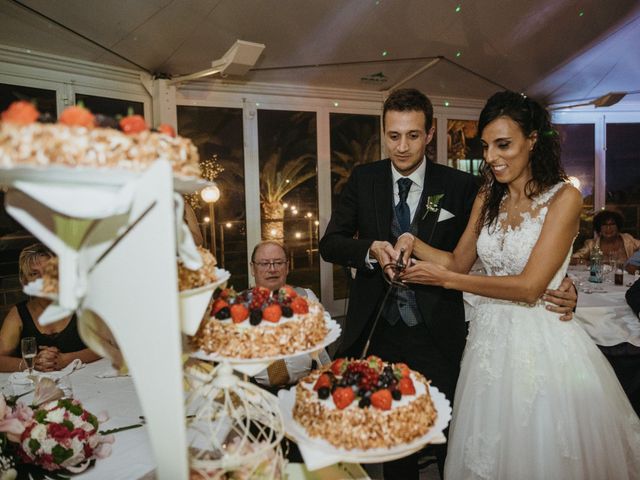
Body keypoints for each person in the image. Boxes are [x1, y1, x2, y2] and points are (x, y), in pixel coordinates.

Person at [319, 88, 577, 479]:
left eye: (413, 135)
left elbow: (499, 252)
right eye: (393, 136)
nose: (402, 146)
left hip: (441, 332)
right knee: (395, 442)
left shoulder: (462, 184)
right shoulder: (365, 179)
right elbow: (331, 243)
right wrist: (376, 249)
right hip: (382, 330)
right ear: (383, 133)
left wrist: (560, 277)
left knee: (458, 438)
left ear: (430, 133)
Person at [396, 91, 640, 479]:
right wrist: (412, 242)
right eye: (487, 146)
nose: (492, 156)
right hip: (487, 344)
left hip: (541, 343)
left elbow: (529, 287)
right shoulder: (486, 197)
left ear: (532, 140)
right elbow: (458, 260)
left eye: (503, 144)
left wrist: (449, 281)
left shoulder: (565, 198)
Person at [0, 243, 100, 372]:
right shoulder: (19, 313)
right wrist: (32, 363)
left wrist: (66, 360)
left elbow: (108, 346)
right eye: (34, 274)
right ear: (25, 281)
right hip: (40, 389)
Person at [250, 240, 330, 389]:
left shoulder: (306, 297)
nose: (272, 269)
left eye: (278, 262)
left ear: (287, 267)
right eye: (264, 263)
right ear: (252, 269)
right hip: (256, 394)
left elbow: (321, 349)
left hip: (304, 388)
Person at [571, 209, 640, 264]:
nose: (608, 228)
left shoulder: (628, 240)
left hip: (624, 280)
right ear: (599, 227)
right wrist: (589, 263)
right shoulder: (591, 244)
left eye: (612, 224)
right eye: (604, 225)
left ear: (618, 226)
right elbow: (573, 259)